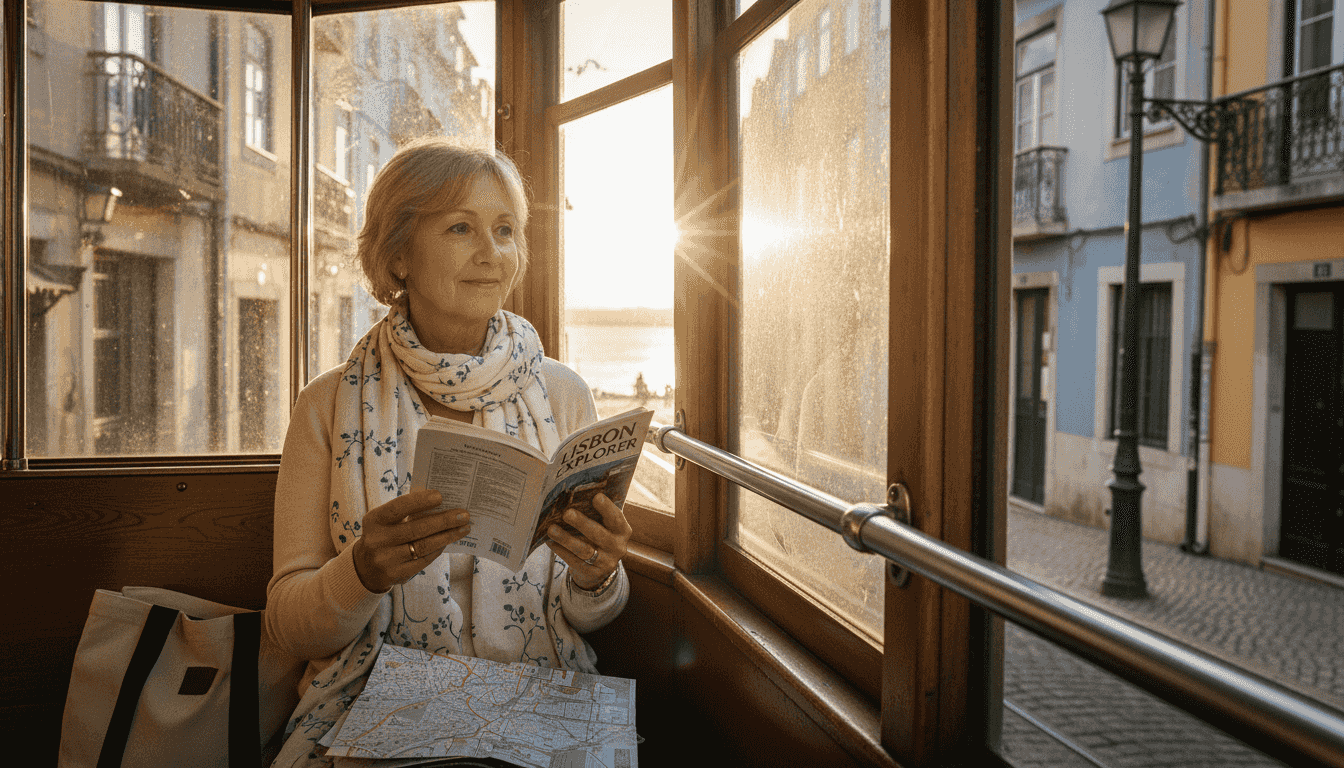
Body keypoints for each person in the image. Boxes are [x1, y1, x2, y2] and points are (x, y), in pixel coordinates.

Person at [265, 137, 630, 767]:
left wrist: (599, 577)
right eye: (461, 227)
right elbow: (288, 624)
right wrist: (362, 573)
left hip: (539, 700)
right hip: (378, 705)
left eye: (506, 230)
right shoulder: (326, 405)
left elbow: (589, 615)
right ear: (398, 254)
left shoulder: (564, 394)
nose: (492, 253)